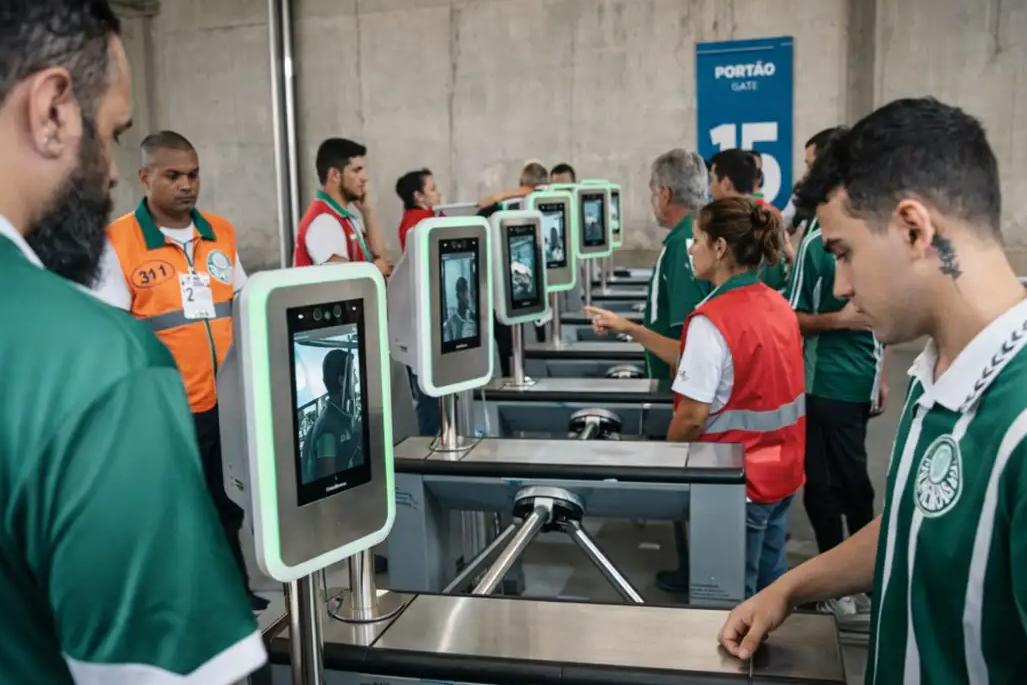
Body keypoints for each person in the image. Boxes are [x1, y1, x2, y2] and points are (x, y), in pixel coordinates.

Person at [0, 2, 266, 683]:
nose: (112, 171)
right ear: (54, 109)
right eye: (113, 133)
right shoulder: (94, 366)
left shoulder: (220, 234)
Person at [719, 97, 1027, 684]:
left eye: (844, 253)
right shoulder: (939, 373)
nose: (838, 285)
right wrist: (790, 587)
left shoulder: (1020, 426)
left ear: (915, 229)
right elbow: (915, 523)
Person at [96, 130, 267, 611]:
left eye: (193, 174)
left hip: (224, 401)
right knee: (176, 513)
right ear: (145, 176)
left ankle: (235, 589)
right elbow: (109, 334)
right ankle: (187, 603)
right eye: (173, 176)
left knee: (227, 503)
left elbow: (243, 302)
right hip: (165, 409)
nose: (187, 185)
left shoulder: (220, 234)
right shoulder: (118, 244)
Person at [784, 126, 886, 625]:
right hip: (823, 384)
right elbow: (791, 315)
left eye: (812, 164)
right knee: (826, 484)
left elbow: (881, 319)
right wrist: (839, 321)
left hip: (861, 381)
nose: (807, 174)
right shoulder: (812, 246)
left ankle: (863, 579)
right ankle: (837, 583)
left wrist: (880, 373)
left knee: (857, 485)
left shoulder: (869, 227)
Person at [586, 148, 711, 380]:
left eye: (653, 193)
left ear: (665, 194)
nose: (653, 201)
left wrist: (630, 328)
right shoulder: (691, 235)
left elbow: (685, 342)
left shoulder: (685, 246)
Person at [294, 137, 392, 276]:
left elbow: (383, 262)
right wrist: (375, 269)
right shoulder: (324, 221)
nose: (364, 178)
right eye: (356, 170)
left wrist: (368, 212)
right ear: (334, 175)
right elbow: (341, 281)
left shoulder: (342, 217)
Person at [710, 149, 788, 290]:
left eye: (712, 180)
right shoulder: (771, 215)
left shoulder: (726, 224)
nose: (710, 188)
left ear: (726, 183)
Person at [302, 349, 363, 482]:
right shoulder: (327, 428)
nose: (357, 380)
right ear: (342, 380)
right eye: (353, 374)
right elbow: (327, 478)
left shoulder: (337, 416)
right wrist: (357, 438)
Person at [396, 167, 441, 251]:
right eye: (433, 189)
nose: (438, 193)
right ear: (419, 196)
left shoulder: (409, 219)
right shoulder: (421, 222)